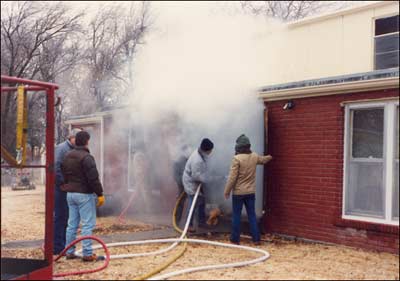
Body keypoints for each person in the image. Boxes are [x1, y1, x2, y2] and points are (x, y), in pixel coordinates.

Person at [61, 131, 105, 261]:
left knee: (71, 224)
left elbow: (63, 173)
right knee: (87, 224)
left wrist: (68, 185)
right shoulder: (86, 157)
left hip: (70, 194)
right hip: (84, 195)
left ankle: (69, 251)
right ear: (86, 141)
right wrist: (100, 194)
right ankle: (87, 253)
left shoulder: (67, 155)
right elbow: (93, 178)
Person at [224, 134, 272, 245]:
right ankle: (256, 239)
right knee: (252, 215)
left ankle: (235, 240)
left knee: (236, 216)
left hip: (238, 193)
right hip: (250, 192)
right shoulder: (254, 156)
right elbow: (263, 160)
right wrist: (271, 156)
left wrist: (227, 191)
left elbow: (232, 178)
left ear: (238, 147)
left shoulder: (236, 159)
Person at [53, 128, 81, 255]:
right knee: (60, 216)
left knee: (68, 217)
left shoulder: (73, 149)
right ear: (71, 137)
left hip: (69, 187)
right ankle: (57, 247)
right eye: (77, 138)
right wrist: (63, 183)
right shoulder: (62, 149)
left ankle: (64, 245)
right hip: (61, 188)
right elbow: (56, 166)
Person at [182, 138, 214, 232]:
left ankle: (201, 222)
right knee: (193, 204)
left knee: (202, 202)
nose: (211, 152)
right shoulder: (197, 160)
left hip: (196, 182)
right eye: (210, 150)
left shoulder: (200, 153)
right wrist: (208, 179)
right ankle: (189, 225)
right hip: (191, 183)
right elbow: (196, 176)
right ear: (206, 150)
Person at [172, 144, 191, 223]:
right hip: (183, 186)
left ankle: (190, 222)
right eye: (188, 150)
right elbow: (176, 176)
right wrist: (183, 183)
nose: (189, 152)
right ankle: (177, 220)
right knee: (180, 203)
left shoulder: (188, 160)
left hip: (190, 185)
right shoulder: (178, 162)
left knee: (192, 203)